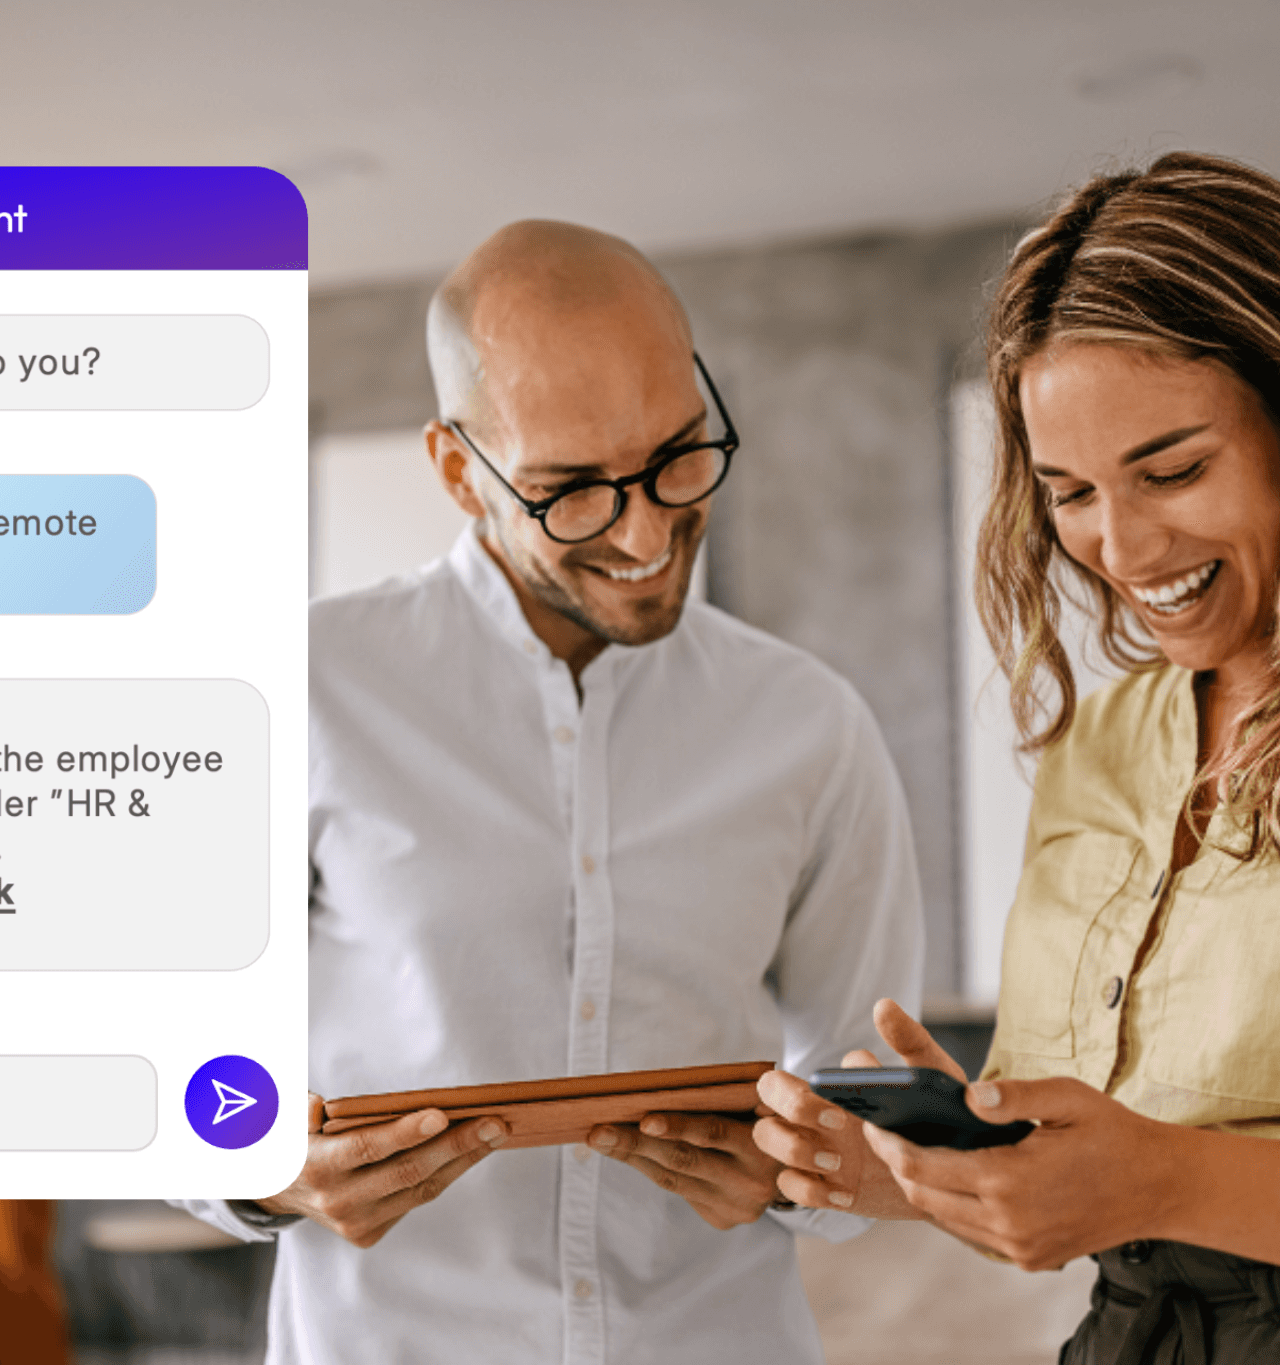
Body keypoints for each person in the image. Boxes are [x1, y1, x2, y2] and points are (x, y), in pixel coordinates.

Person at [754, 151, 1280, 1361]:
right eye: (1067, 490)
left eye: (1172, 469)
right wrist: (921, 1167)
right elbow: (1090, 1174)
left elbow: (1155, 1179)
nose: (1119, 547)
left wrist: (1166, 1184)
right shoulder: (1105, 742)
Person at [178, 221, 924, 1363]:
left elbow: (865, 1102)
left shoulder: (808, 726)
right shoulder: (292, 695)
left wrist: (803, 1172)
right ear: (454, 472)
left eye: (677, 453)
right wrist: (269, 1174)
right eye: (569, 490)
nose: (643, 527)